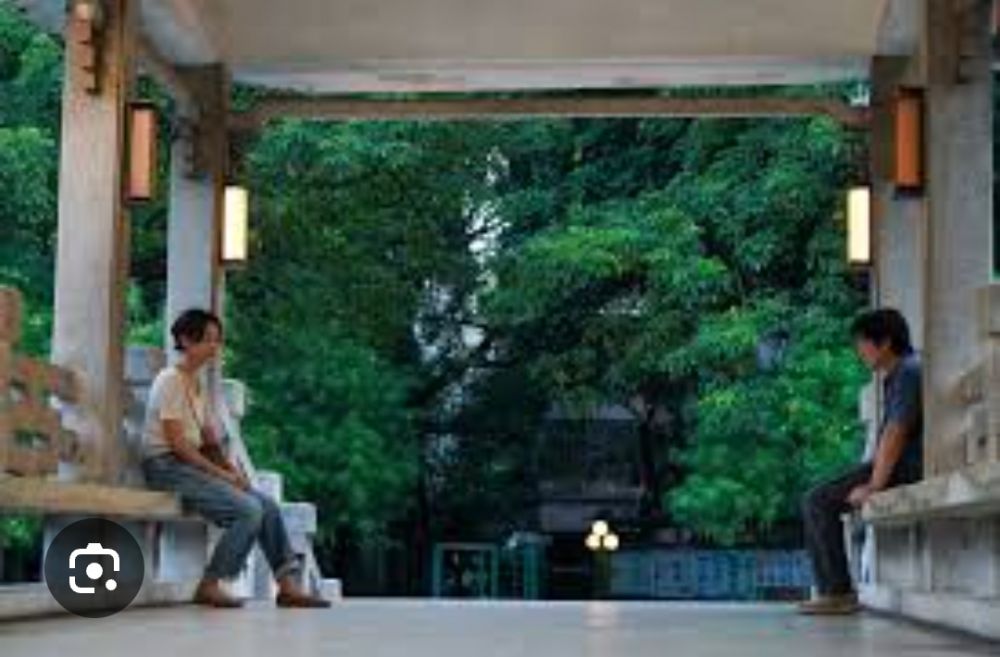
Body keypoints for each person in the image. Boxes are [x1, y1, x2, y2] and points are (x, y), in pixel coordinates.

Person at [141, 308, 330, 609]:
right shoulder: (170, 380)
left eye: (217, 340)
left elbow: (209, 443)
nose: (215, 347)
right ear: (186, 340)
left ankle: (287, 586)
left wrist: (232, 472)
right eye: (208, 339)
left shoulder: (197, 385)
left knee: (266, 505)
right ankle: (211, 584)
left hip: (189, 465)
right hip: (165, 466)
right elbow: (178, 445)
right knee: (248, 511)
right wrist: (223, 476)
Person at [799, 308, 923, 616]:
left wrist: (874, 485)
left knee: (817, 501)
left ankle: (837, 593)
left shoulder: (908, 371)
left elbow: (896, 432)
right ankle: (835, 591)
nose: (859, 350)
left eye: (863, 342)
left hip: (905, 467)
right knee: (816, 498)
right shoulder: (900, 373)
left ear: (885, 342)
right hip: (897, 465)